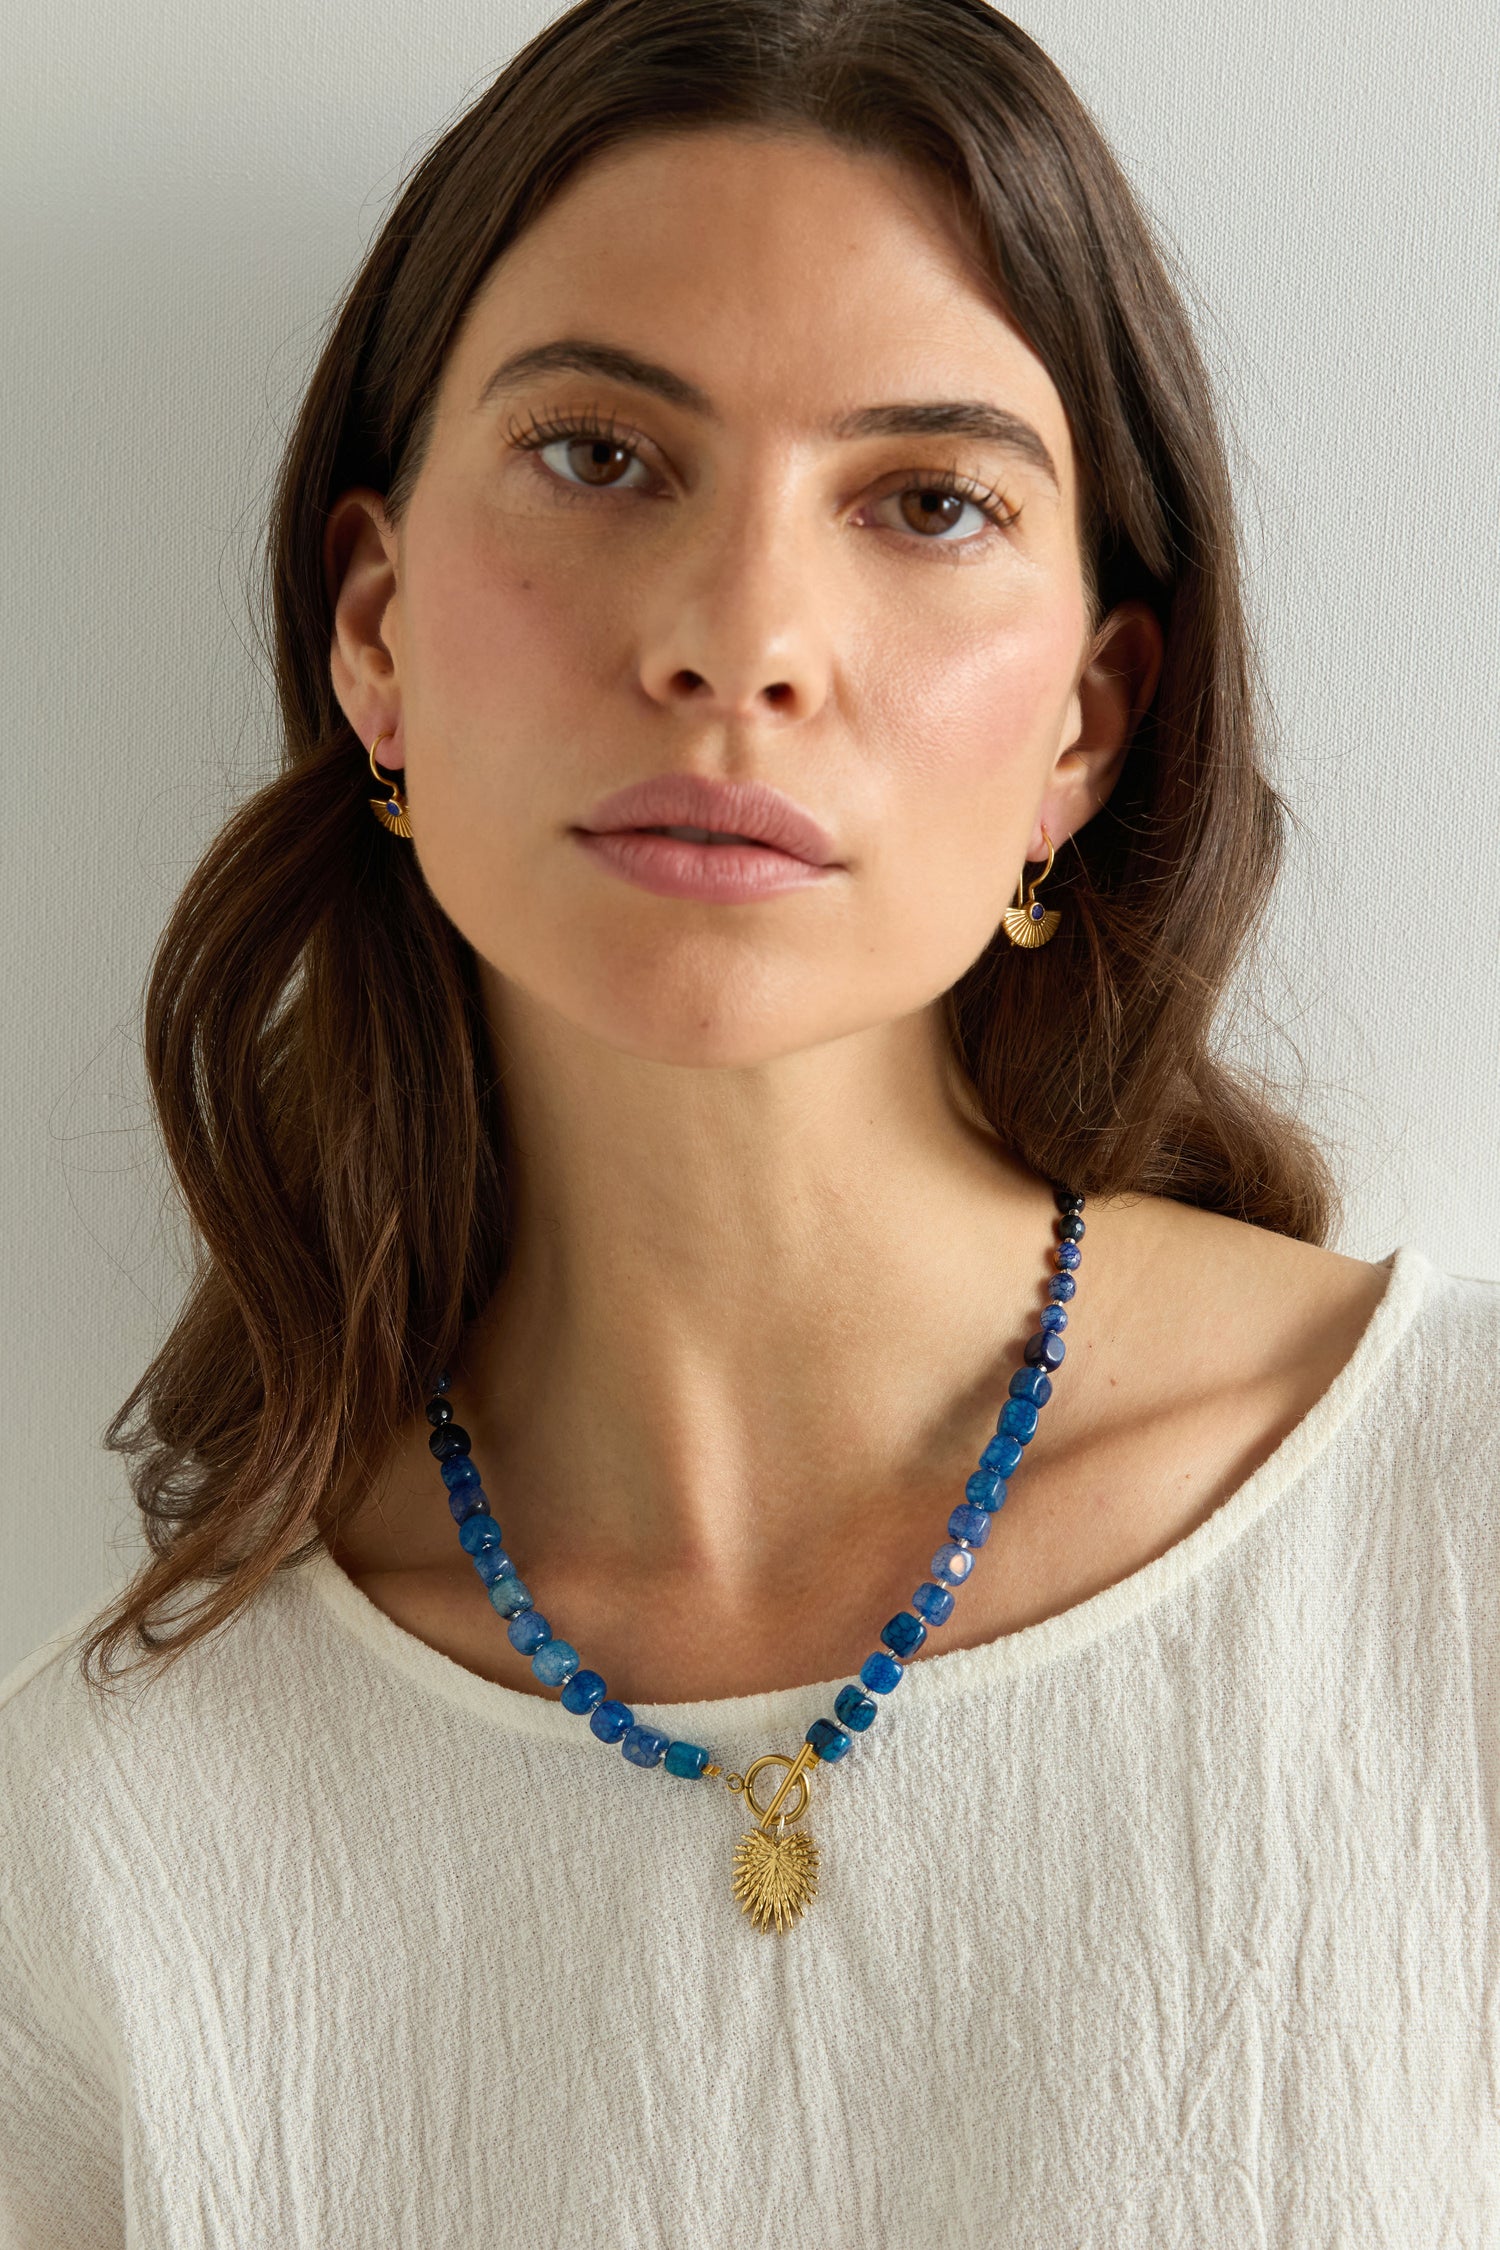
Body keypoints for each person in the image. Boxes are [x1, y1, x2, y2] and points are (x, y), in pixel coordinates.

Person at [3, 0, 1496, 2240]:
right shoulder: (114, 1833)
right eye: (605, 457)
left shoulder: (1446, 1546)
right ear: (377, 630)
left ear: (1089, 728)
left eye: (926, 501)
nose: (743, 637)